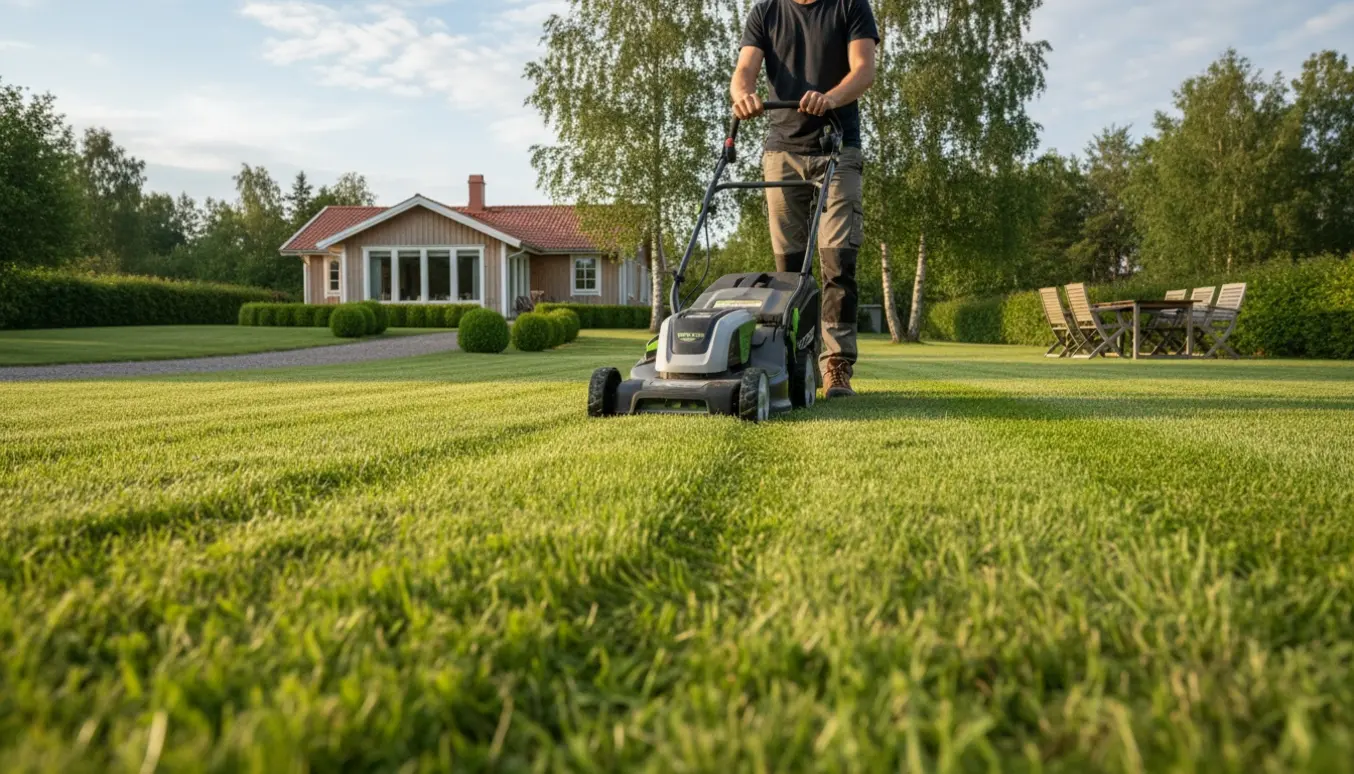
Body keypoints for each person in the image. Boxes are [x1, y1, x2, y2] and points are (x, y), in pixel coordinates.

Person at [732, 0, 879, 399]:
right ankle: (792, 360)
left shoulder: (850, 6)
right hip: (781, 149)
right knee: (788, 270)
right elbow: (745, 70)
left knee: (838, 259)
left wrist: (830, 98)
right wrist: (743, 96)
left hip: (837, 147)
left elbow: (864, 70)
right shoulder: (766, 11)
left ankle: (836, 366)